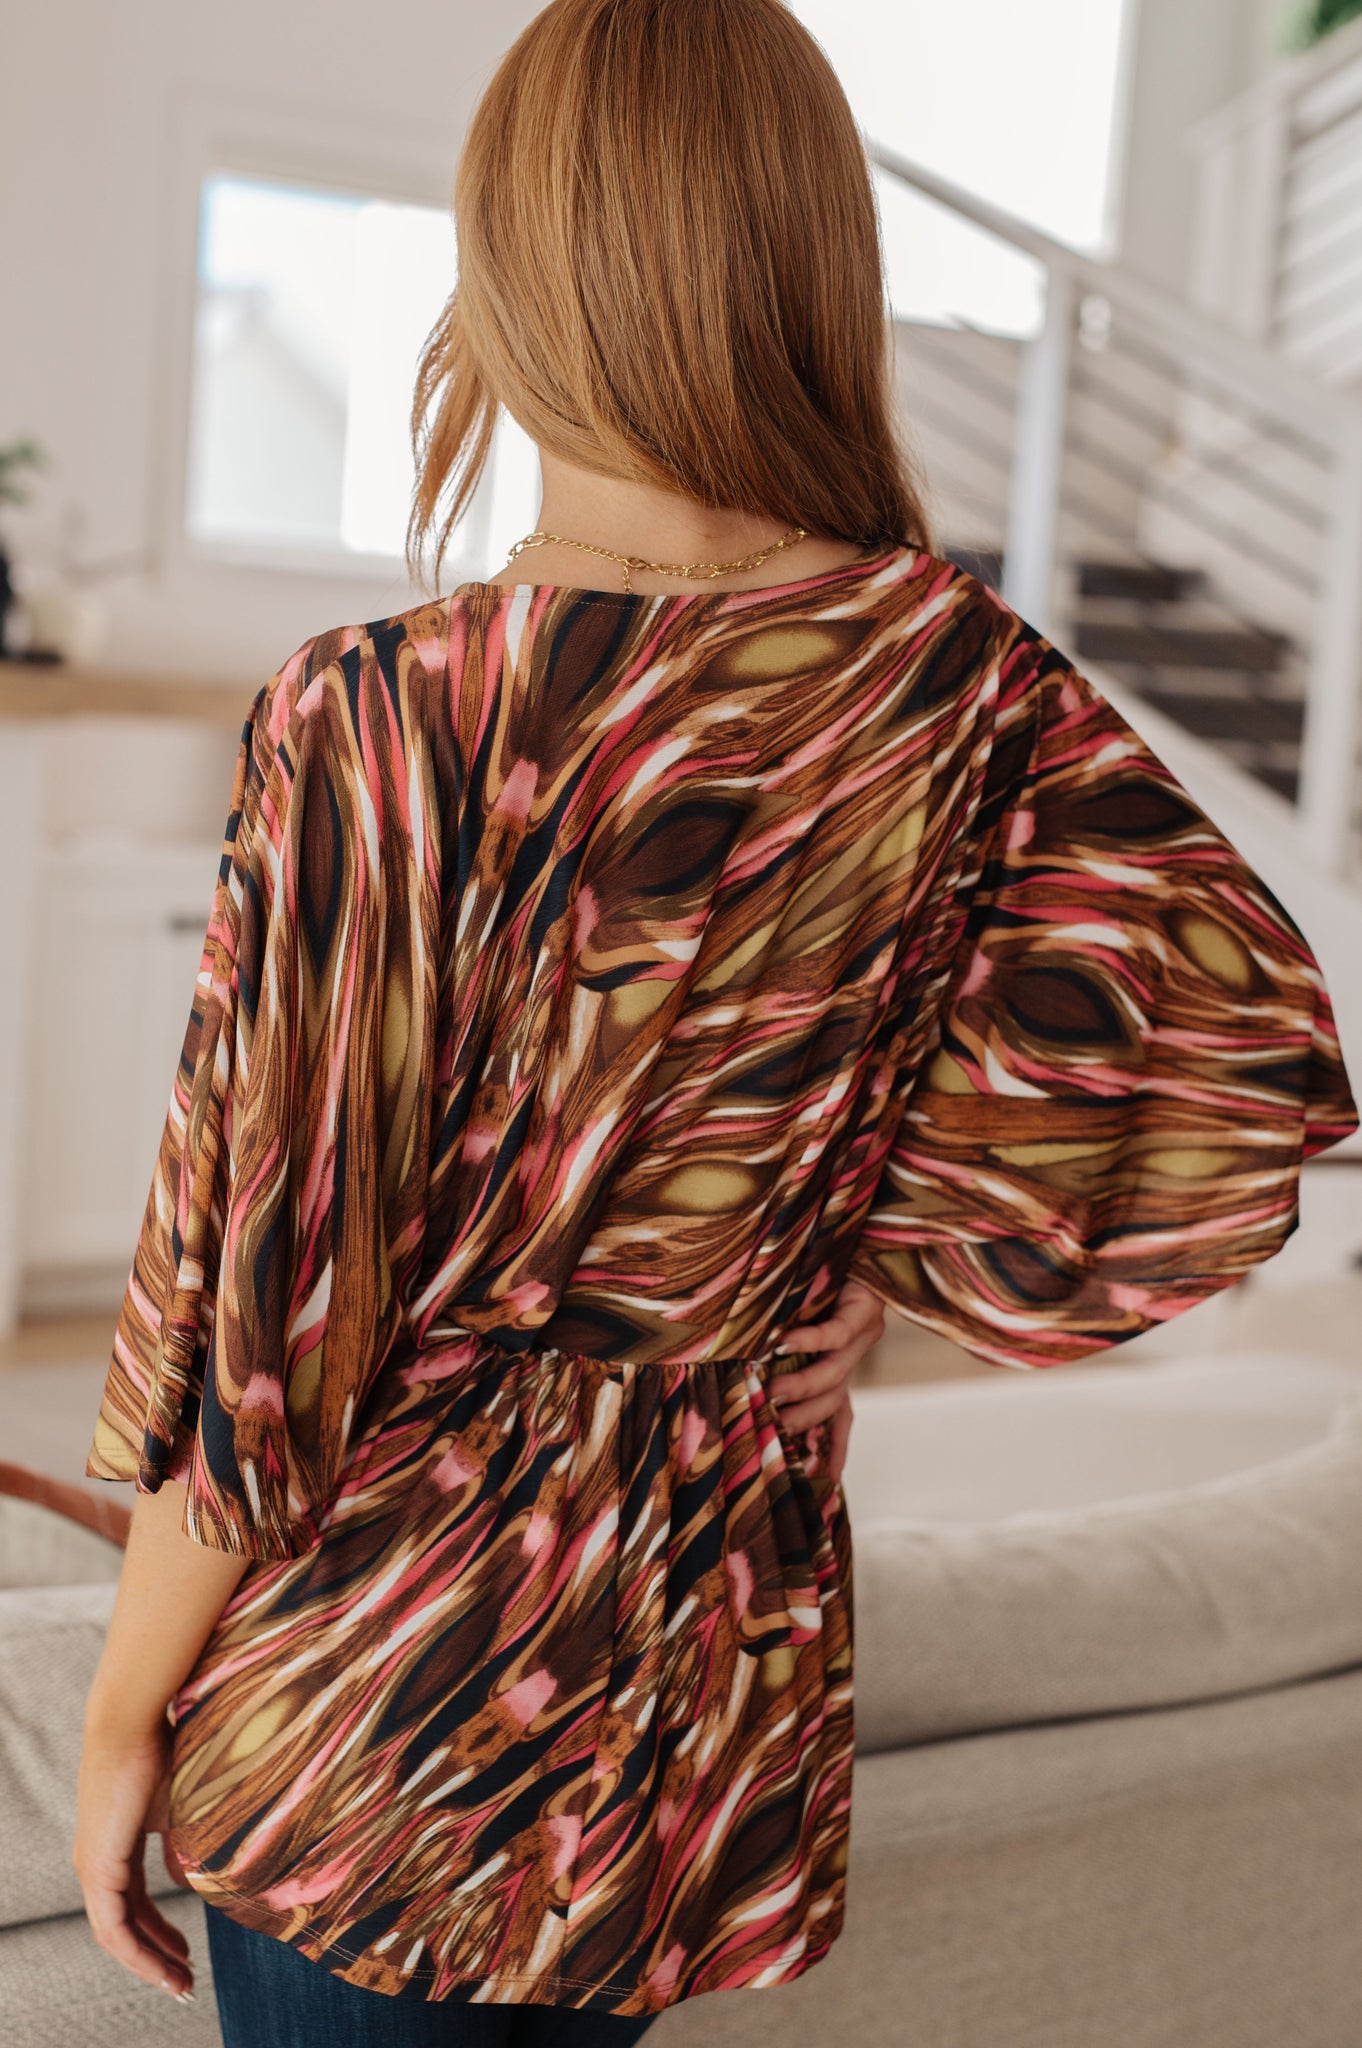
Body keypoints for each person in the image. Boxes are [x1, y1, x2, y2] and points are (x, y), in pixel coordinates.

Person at [74, 1, 1358, 2042]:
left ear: (519, 273)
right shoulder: (955, 685)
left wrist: (119, 1707)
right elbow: (1222, 1063)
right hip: (693, 1701)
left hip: (371, 1720)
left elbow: (268, 1324)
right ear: (806, 268)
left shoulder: (380, 714)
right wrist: (841, 1268)